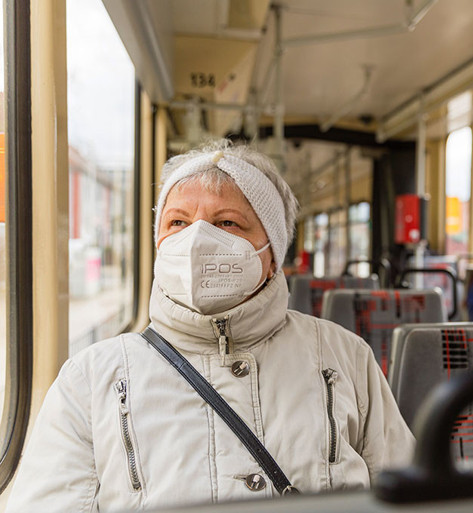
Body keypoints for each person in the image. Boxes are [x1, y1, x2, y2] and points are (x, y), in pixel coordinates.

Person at [7, 141, 415, 512]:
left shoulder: (344, 357)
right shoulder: (91, 379)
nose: (197, 239)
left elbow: (412, 496)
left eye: (227, 223)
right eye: (178, 223)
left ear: (271, 253)